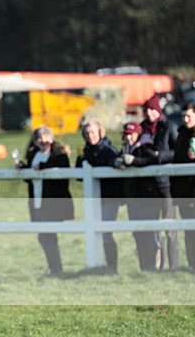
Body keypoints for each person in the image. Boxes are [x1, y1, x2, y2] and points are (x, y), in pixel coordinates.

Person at [15, 126, 74, 275]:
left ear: (51, 138)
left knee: (48, 235)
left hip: (53, 202)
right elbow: (31, 177)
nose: (42, 141)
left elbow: (63, 172)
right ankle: (54, 267)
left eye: (45, 137)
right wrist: (23, 167)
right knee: (43, 236)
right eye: (38, 138)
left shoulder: (59, 154)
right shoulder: (34, 154)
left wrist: (43, 167)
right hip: (37, 201)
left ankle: (56, 268)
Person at [77, 118, 122, 272]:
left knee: (106, 232)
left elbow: (115, 167)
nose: (90, 136)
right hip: (93, 200)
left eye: (93, 132)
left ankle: (112, 267)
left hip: (109, 198)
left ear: (100, 132)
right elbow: (78, 175)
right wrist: (79, 158)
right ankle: (98, 264)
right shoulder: (85, 151)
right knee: (94, 233)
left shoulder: (108, 150)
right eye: (87, 133)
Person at [141, 94, 180, 270]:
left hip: (165, 185)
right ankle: (156, 266)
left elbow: (177, 152)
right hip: (147, 187)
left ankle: (173, 266)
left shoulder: (169, 127)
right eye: (146, 109)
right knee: (151, 229)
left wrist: (159, 156)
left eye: (151, 109)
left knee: (170, 228)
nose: (148, 113)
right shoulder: (141, 129)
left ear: (157, 111)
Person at [118, 122, 161, 271]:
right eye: (127, 134)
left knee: (150, 234)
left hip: (148, 197)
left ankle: (154, 267)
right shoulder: (124, 149)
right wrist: (116, 163)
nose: (129, 137)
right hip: (133, 199)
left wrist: (134, 161)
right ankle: (144, 267)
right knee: (138, 235)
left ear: (138, 134)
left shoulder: (146, 146)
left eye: (132, 134)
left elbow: (155, 160)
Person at [172, 101, 195, 272]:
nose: (185, 119)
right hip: (184, 190)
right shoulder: (181, 134)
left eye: (189, 116)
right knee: (188, 230)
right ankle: (192, 263)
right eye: (183, 116)